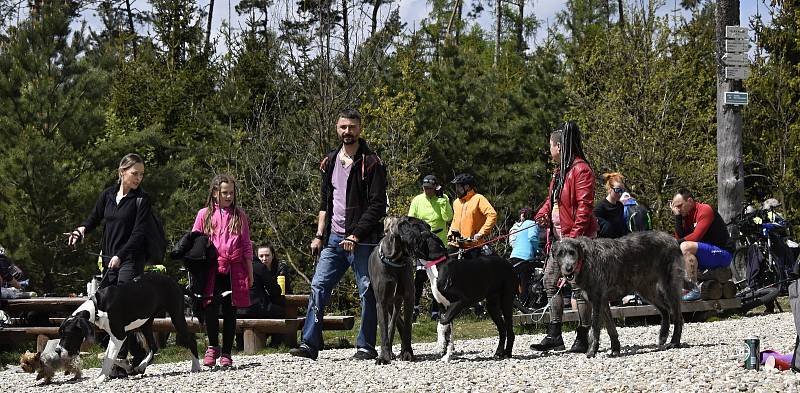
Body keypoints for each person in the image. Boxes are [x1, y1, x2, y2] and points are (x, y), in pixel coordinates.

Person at [290, 109, 388, 361]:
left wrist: (355, 234)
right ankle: (309, 344)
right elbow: (325, 203)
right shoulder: (329, 162)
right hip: (334, 238)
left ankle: (365, 345)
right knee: (318, 286)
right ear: (337, 128)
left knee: (367, 290)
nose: (348, 132)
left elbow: (378, 206)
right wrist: (319, 235)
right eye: (343, 127)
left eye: (352, 127)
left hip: (363, 240)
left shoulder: (372, 163)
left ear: (360, 128)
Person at [66, 153, 152, 377]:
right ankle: (135, 353)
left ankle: (120, 359)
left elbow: (139, 233)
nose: (138, 178)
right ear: (121, 172)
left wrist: (121, 255)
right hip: (108, 260)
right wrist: (81, 230)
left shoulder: (142, 199)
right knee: (106, 306)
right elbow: (93, 218)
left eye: (141, 174)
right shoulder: (107, 196)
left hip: (130, 260)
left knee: (119, 307)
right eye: (135, 173)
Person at [530, 121, 599, 354]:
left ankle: (582, 337)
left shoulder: (581, 170)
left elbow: (584, 207)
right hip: (558, 240)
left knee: (577, 287)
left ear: (559, 146)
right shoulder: (559, 172)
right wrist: (541, 214)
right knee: (549, 281)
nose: (549, 150)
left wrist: (574, 240)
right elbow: (552, 201)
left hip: (575, 241)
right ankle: (554, 334)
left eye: (550, 145)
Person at [192, 174, 254, 368]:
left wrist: (250, 271)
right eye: (225, 193)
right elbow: (195, 241)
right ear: (215, 193)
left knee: (230, 309)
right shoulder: (204, 214)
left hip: (234, 268)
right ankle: (212, 346)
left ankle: (227, 351)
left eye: (231, 193)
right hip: (212, 268)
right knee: (210, 307)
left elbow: (246, 245)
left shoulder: (239, 215)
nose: (228, 197)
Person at [670, 188, 734, 301]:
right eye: (675, 207)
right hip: (707, 253)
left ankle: (693, 289)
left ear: (689, 201)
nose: (677, 210)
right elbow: (679, 238)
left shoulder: (704, 210)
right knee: (677, 251)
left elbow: (695, 237)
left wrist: (672, 243)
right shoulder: (686, 216)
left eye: (679, 206)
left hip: (722, 253)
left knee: (685, 247)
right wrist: (678, 218)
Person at [408, 174, 453, 321]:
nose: (427, 191)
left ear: (436, 188)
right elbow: (411, 220)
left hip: (439, 244)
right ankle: (415, 308)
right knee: (420, 277)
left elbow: (448, 217)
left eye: (430, 188)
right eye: (425, 188)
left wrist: (441, 200)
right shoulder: (417, 200)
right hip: (423, 245)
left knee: (439, 279)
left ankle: (436, 309)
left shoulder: (443, 198)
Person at [236, 244, 286, 349]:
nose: (264, 258)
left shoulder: (235, 265)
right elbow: (275, 290)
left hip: (235, 309)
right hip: (254, 308)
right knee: (279, 311)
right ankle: (276, 343)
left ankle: (241, 344)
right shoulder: (258, 266)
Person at [448, 173, 497, 258]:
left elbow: (492, 215)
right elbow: (455, 221)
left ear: (467, 187)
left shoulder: (478, 198)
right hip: (455, 244)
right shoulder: (456, 202)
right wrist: (450, 234)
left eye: (458, 186)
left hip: (472, 246)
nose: (456, 189)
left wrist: (481, 233)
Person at [509, 207, 540, 299]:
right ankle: (525, 304)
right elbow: (532, 238)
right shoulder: (532, 224)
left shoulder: (517, 226)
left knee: (516, 282)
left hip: (514, 256)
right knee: (525, 282)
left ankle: (517, 303)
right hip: (525, 257)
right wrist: (537, 250)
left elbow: (513, 242)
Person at [594, 172, 628, 239]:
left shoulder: (620, 205)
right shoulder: (599, 207)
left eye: (622, 190)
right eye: (617, 190)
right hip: (605, 246)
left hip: (620, 244)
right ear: (609, 189)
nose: (620, 193)